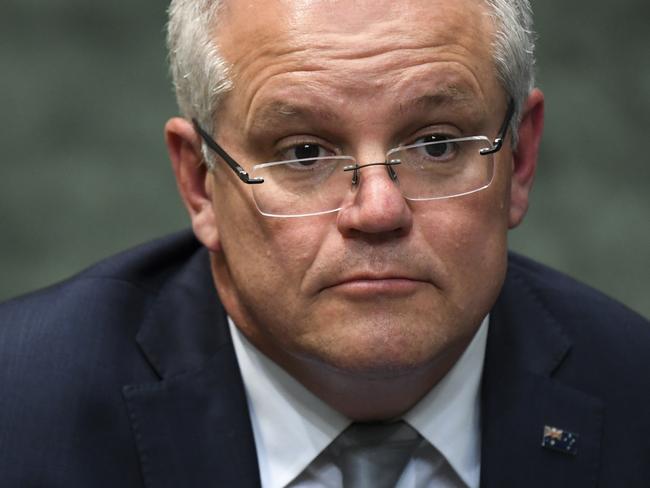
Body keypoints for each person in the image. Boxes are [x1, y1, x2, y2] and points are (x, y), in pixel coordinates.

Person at [0, 0, 648, 486]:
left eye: (437, 144)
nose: (378, 209)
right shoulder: (21, 409)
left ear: (521, 159)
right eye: (304, 152)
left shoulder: (634, 394)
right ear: (201, 184)